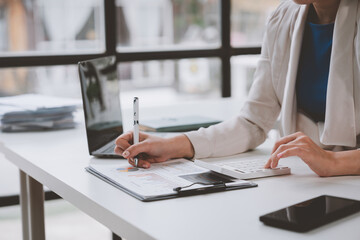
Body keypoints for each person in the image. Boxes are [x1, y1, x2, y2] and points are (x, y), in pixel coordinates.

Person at [115, 0, 360, 177]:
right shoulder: (283, 18)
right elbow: (252, 123)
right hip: (306, 181)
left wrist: (333, 162)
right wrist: (172, 145)